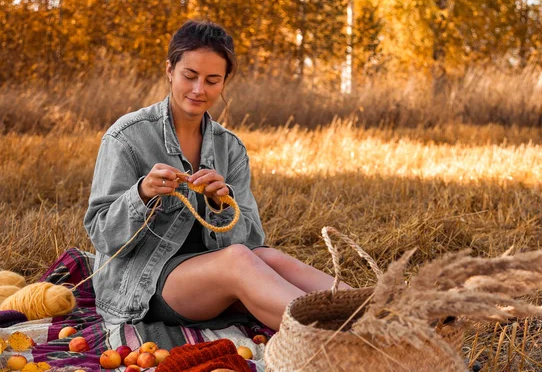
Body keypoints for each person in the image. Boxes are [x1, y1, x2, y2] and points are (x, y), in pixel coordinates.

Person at [84, 20, 350, 331]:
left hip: (210, 278)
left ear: (224, 82)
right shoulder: (127, 137)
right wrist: (141, 193)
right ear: (170, 70)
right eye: (190, 76)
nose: (199, 90)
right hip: (141, 284)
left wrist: (220, 205)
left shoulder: (230, 147)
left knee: (272, 258)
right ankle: (339, 337)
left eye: (212, 80)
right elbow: (101, 234)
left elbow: (253, 242)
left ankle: (379, 312)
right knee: (237, 259)